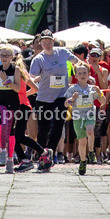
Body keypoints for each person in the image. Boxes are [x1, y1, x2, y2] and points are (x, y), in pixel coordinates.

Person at [29, 28, 78, 170]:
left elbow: (77, 61)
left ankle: (49, 152)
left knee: (58, 126)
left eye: (49, 41)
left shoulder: (62, 52)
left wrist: (83, 68)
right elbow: (31, 77)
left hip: (61, 96)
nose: (47, 44)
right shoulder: (38, 59)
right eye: (44, 42)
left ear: (53, 41)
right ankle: (41, 154)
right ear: (41, 43)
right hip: (44, 98)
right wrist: (36, 78)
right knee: (43, 130)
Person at [65, 60, 106, 176]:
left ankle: (92, 151)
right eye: (80, 73)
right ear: (76, 76)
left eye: (85, 73)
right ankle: (83, 161)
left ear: (89, 75)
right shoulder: (72, 89)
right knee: (82, 142)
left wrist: (100, 93)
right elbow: (66, 104)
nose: (82, 76)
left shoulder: (93, 88)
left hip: (89, 114)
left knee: (90, 130)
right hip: (78, 116)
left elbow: (103, 102)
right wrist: (72, 99)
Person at [0, 44, 21, 174]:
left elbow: (17, 88)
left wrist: (7, 81)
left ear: (11, 57)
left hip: (13, 103)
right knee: (3, 123)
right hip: (1, 102)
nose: (4, 58)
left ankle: (10, 159)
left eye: (7, 55)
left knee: (11, 131)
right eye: (2, 55)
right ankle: (2, 151)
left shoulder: (15, 69)